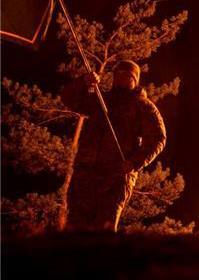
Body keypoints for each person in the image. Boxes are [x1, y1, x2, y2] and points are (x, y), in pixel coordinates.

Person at [59, 60, 166, 232]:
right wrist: (84, 82)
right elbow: (69, 98)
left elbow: (157, 139)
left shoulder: (144, 107)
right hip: (85, 174)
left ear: (135, 79)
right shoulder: (101, 101)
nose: (121, 78)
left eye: (126, 75)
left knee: (103, 229)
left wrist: (134, 162)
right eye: (118, 74)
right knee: (75, 227)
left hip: (115, 176)